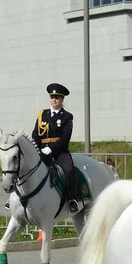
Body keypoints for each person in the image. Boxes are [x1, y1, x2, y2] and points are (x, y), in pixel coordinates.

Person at [32, 83, 79, 213]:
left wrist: (50, 149)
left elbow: (65, 139)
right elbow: (35, 134)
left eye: (57, 97)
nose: (54, 100)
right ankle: (17, 197)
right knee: (25, 168)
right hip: (41, 150)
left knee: (69, 171)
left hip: (59, 152)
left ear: (62, 99)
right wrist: (37, 148)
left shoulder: (66, 116)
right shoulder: (43, 114)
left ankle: (73, 199)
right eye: (52, 97)